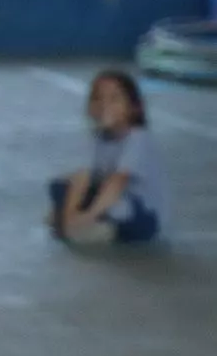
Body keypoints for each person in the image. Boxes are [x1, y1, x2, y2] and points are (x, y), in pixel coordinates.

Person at [47, 70, 167, 246]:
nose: (104, 105)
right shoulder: (97, 138)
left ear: (134, 108)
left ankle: (106, 229)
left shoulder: (138, 139)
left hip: (143, 215)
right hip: (113, 200)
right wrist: (69, 218)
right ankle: (88, 221)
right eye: (97, 98)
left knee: (115, 206)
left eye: (114, 99)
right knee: (59, 186)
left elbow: (117, 184)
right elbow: (82, 177)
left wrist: (85, 218)